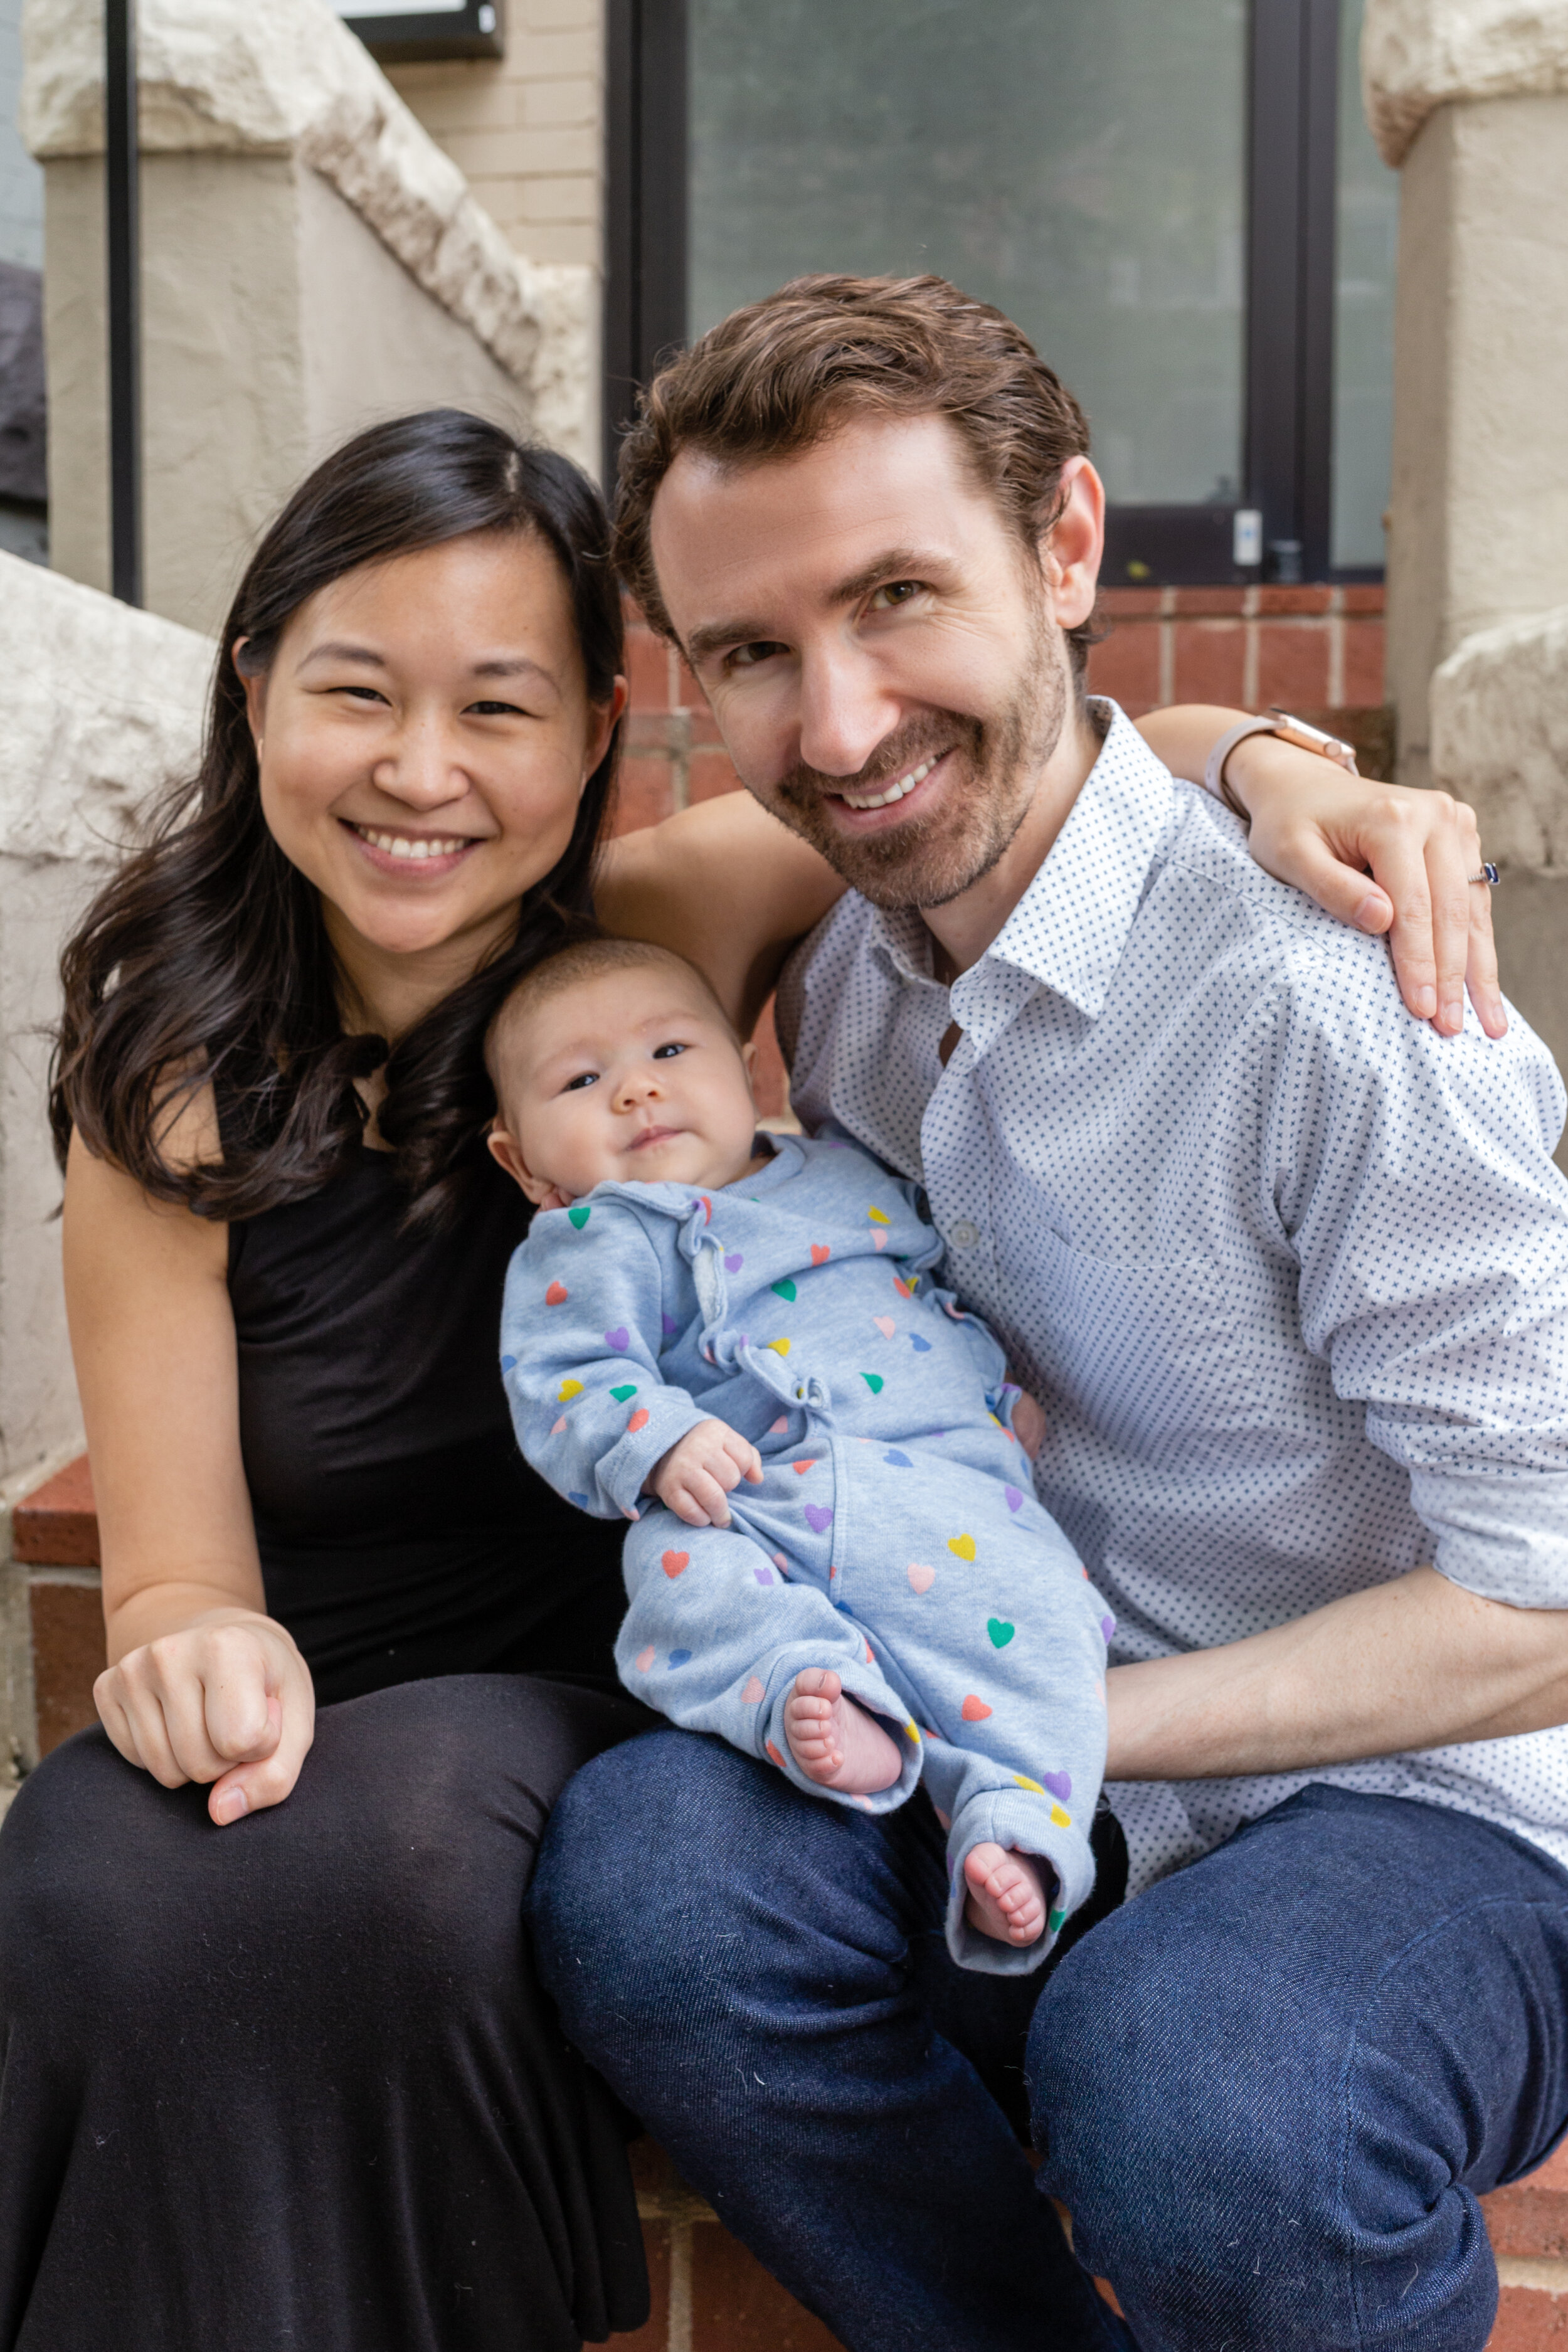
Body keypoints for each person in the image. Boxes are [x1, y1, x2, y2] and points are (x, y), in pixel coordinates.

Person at [0, 388, 1498, 2349]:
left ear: (599, 736)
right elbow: (178, 1567)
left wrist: (1273, 761)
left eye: (503, 706)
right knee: (87, 1867)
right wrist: (197, 1644)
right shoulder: (178, 1081)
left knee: (372, 1864)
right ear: (255, 691)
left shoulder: (660, 926)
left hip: (665, 1652)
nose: (421, 773)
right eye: (355, 691)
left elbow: (1047, 771)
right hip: (328, 1679)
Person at [526, 275, 1568, 2352]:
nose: (835, 727)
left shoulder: (1333, 992)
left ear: (1070, 546)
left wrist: (1042, 1729)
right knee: (648, 1883)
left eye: (899, 596)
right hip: (1022, 1737)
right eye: (750, 653)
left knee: (1204, 2089)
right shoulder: (841, 977)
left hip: (1446, 1809)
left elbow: (1551, 1600)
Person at [488, 935, 1109, 1966]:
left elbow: (926, 1294)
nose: (638, 1091)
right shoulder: (604, 1233)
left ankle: (1017, 1821)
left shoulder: (845, 1173)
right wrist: (655, 1435)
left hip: (947, 1489)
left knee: (1052, 1616)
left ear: (748, 1068)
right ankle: (809, 1689)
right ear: (522, 1159)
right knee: (678, 1575)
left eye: (672, 1052)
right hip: (762, 1502)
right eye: (584, 1080)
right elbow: (561, 1379)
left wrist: (995, 1389)